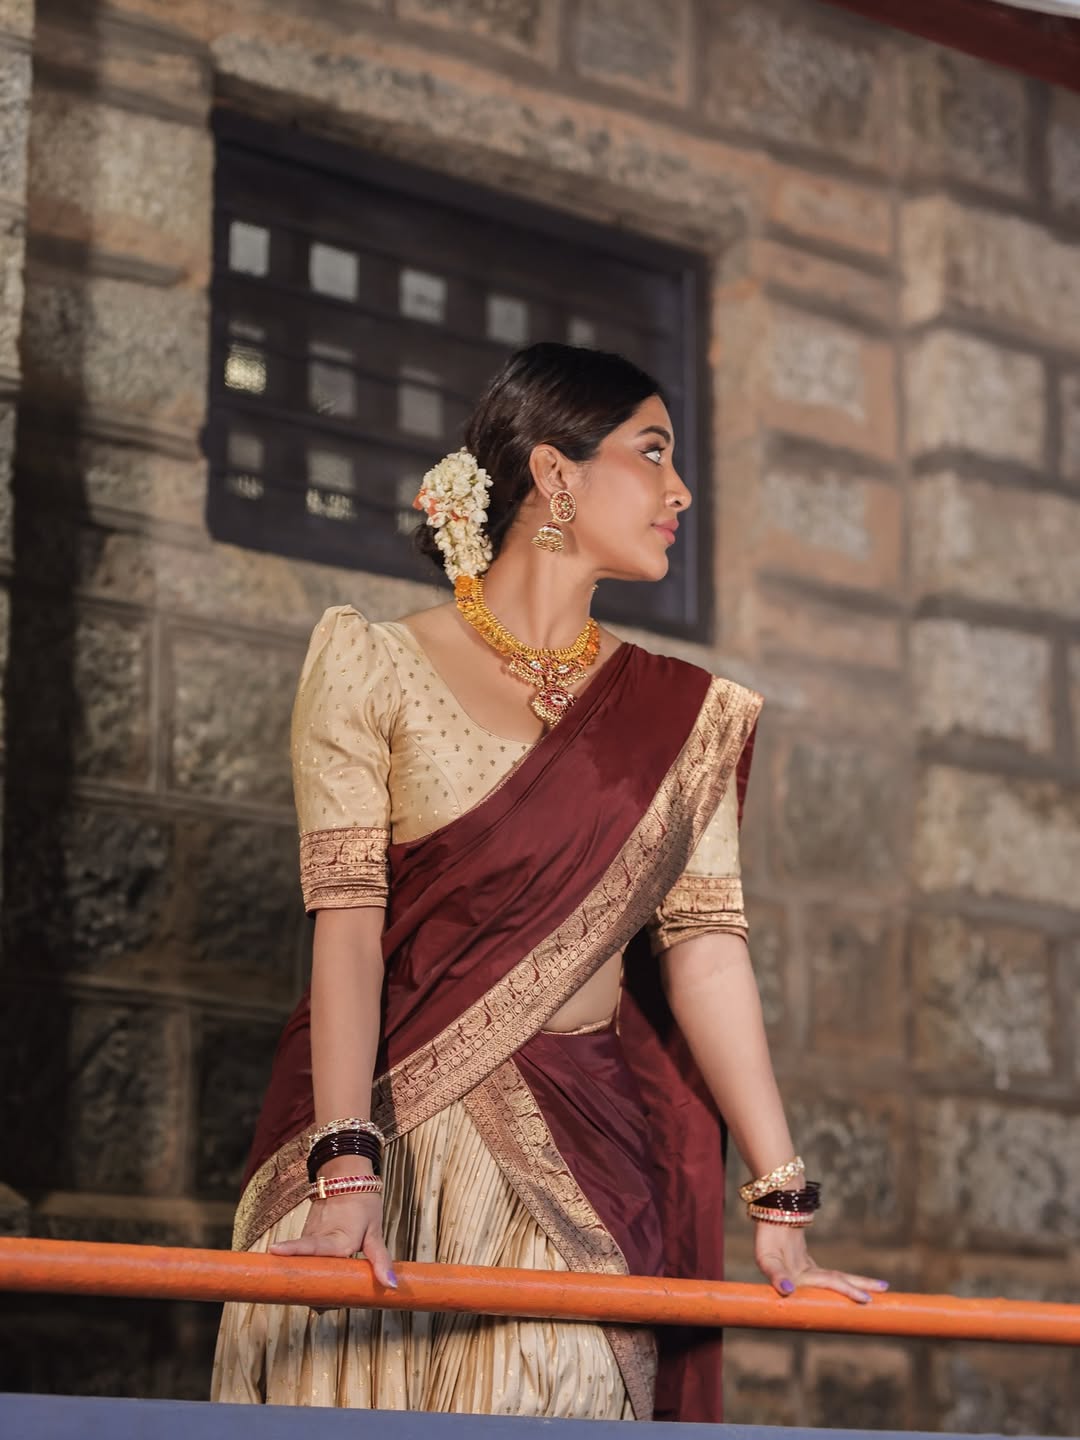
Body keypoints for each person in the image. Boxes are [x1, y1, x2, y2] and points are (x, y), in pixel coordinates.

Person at [211, 343, 886, 1421]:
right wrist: (347, 1171)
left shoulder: (685, 720)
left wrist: (781, 1196)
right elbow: (346, 930)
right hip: (378, 1143)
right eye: (653, 452)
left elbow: (708, 954)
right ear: (555, 474)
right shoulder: (373, 666)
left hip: (580, 1157)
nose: (681, 490)